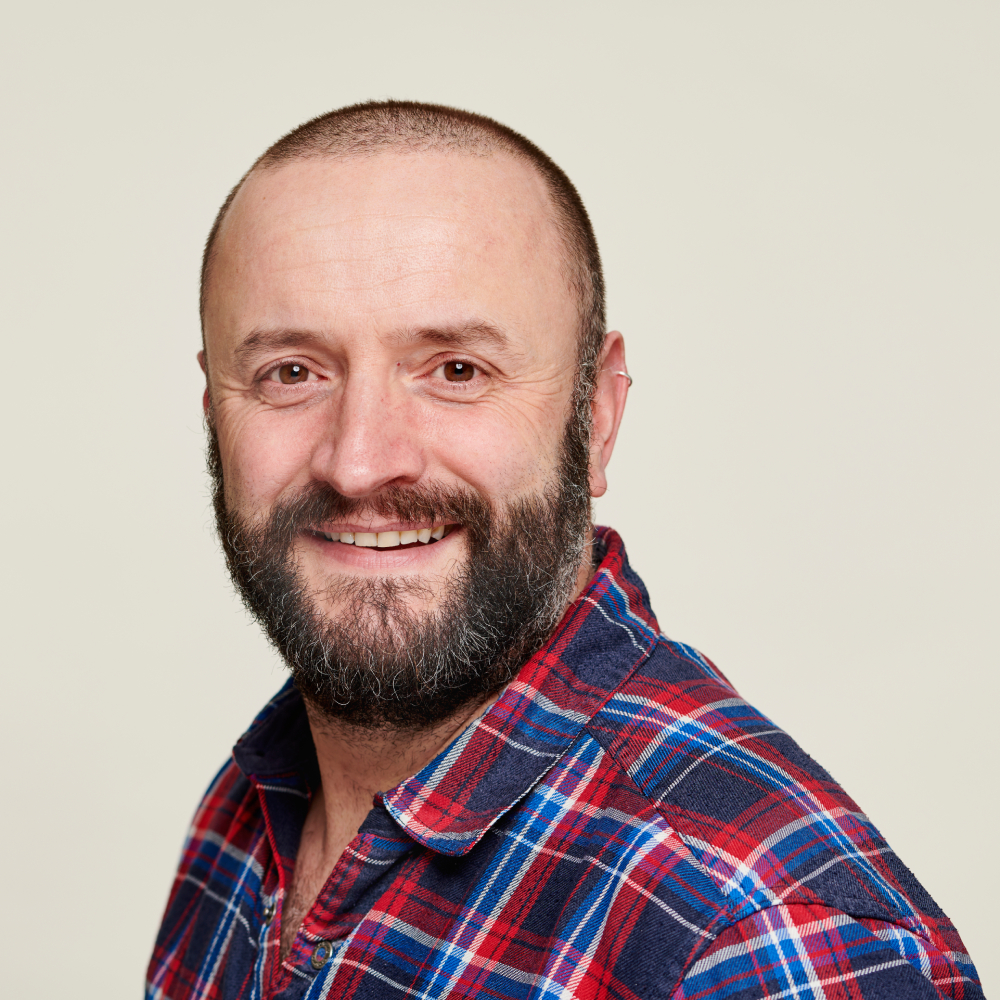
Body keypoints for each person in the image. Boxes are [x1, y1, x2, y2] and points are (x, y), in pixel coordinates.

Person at [147, 101, 982, 1000]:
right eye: (291, 373)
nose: (359, 461)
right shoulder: (248, 811)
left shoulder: (756, 939)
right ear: (213, 412)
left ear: (599, 415)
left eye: (456, 371)